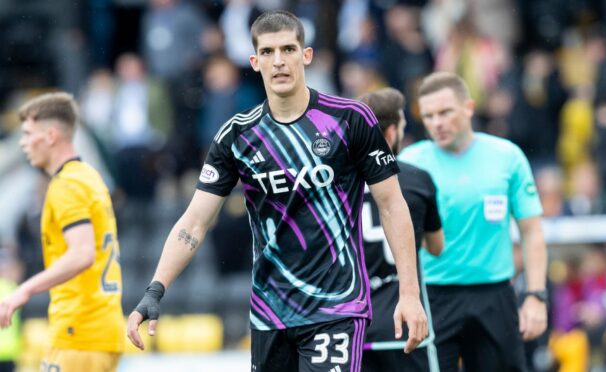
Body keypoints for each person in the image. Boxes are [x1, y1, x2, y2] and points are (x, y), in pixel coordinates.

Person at [127, 10, 427, 372]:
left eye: (288, 49)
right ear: (254, 62)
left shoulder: (350, 119)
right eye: (268, 52)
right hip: (270, 313)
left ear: (306, 55)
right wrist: (154, 290)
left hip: (337, 308)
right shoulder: (237, 135)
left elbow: (392, 205)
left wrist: (409, 295)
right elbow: (194, 221)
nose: (279, 61)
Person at [398, 71, 548, 371]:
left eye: (445, 112)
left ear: (468, 107)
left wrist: (535, 295)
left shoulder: (507, 157)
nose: (436, 123)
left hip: (494, 295)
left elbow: (531, 233)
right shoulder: (409, 164)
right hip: (432, 298)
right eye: (428, 115)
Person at [0, 93, 125, 371]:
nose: (23, 143)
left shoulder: (67, 185)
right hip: (96, 330)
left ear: (51, 135)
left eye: (28, 133)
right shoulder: (89, 177)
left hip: (79, 333)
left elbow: (82, 254)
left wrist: (25, 289)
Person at [358, 88, 444, 372]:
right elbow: (436, 246)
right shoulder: (417, 179)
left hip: (351, 328)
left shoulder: (339, 183)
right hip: (406, 327)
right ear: (392, 132)